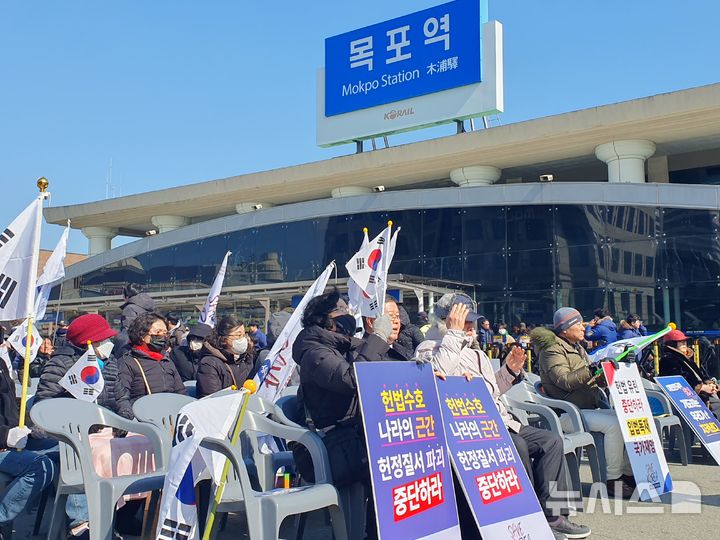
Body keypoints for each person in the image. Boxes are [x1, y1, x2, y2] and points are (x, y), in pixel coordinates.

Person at [416, 294, 590, 540]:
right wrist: (454, 336)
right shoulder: (429, 348)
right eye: (463, 322)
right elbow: (436, 377)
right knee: (516, 445)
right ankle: (526, 515)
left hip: (497, 421)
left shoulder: (476, 353)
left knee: (551, 441)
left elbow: (490, 392)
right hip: (466, 431)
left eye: (471, 323)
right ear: (446, 321)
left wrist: (510, 371)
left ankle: (554, 516)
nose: (469, 328)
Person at [292, 289, 394, 539]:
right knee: (386, 466)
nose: (349, 315)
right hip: (331, 446)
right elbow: (351, 379)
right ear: (325, 319)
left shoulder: (344, 344)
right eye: (342, 311)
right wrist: (378, 336)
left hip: (355, 436)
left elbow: (380, 364)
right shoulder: (314, 352)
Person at [535, 307, 635, 498]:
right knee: (614, 425)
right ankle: (613, 480)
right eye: (578, 324)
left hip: (586, 408)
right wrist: (592, 368)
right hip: (566, 413)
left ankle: (628, 474)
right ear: (564, 329)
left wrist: (614, 365)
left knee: (625, 419)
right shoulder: (551, 350)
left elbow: (592, 378)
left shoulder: (577, 347)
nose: (585, 327)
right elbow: (564, 380)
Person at [0, 325, 56, 537]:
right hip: (4, 442)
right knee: (41, 467)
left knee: (67, 450)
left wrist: (27, 427)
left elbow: (9, 406)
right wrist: (6, 435)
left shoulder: (2, 364)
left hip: (12, 438)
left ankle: (78, 519)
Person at [35, 314, 120, 413]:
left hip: (110, 423)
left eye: (109, 338)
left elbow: (121, 398)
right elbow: (44, 406)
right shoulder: (60, 366)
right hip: (73, 425)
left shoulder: (110, 363)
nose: (108, 343)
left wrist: (122, 421)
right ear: (87, 343)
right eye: (102, 340)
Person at [115, 313, 186, 419]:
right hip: (143, 419)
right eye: (158, 332)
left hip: (171, 418)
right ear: (142, 336)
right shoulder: (128, 362)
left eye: (165, 333)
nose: (162, 336)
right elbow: (122, 397)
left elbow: (181, 392)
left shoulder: (166, 361)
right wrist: (127, 416)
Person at [660, 328, 720, 419]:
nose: (684, 343)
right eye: (680, 341)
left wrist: (710, 384)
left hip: (700, 395)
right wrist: (702, 387)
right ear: (672, 344)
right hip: (688, 400)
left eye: (684, 341)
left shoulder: (686, 358)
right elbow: (678, 382)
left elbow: (701, 375)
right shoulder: (668, 359)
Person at [196, 317, 255, 398]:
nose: (243, 339)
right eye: (238, 335)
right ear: (224, 339)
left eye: (244, 334)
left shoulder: (246, 357)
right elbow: (211, 399)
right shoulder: (209, 364)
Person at [361, 297, 411, 361]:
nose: (396, 321)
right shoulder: (360, 350)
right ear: (370, 321)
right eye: (390, 316)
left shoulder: (403, 350)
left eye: (397, 316)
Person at [114, 283, 157, 357]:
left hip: (135, 348)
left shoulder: (129, 308)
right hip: (152, 343)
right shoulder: (151, 307)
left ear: (127, 296)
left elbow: (127, 332)